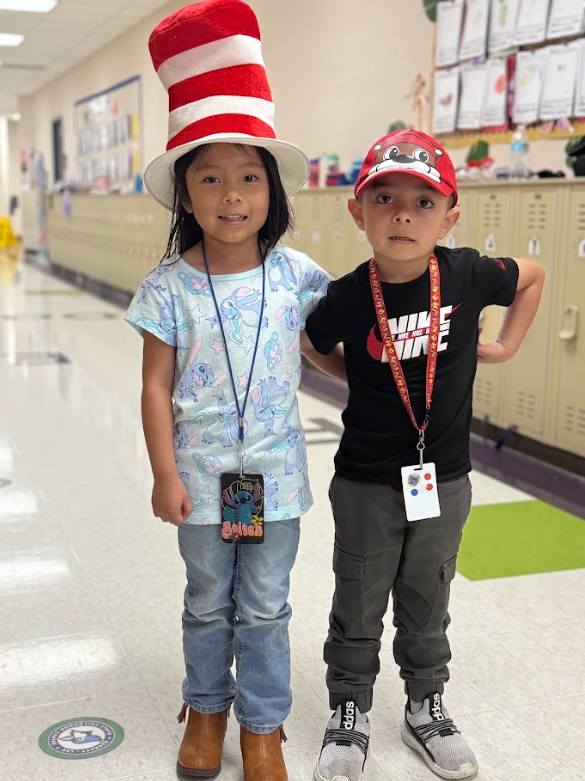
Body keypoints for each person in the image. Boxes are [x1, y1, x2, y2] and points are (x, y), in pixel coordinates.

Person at [124, 3, 344, 780]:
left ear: (270, 187)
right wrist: (164, 473)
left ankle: (262, 725)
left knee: (265, 606)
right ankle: (205, 709)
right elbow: (155, 386)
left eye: (247, 175)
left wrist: (386, 384)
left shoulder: (296, 276)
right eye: (209, 177)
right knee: (206, 598)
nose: (230, 194)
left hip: (274, 480)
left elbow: (322, 353)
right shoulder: (168, 288)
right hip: (200, 477)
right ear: (185, 191)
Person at [305, 128, 545, 781]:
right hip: (362, 478)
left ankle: (424, 703)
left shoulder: (466, 272)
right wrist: (353, 374)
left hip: (443, 477)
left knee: (427, 592)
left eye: (421, 200)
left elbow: (533, 275)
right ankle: (348, 709)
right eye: (383, 197)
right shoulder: (350, 295)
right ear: (358, 212)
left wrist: (507, 344)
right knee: (358, 593)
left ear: (449, 214)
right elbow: (312, 340)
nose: (402, 212)